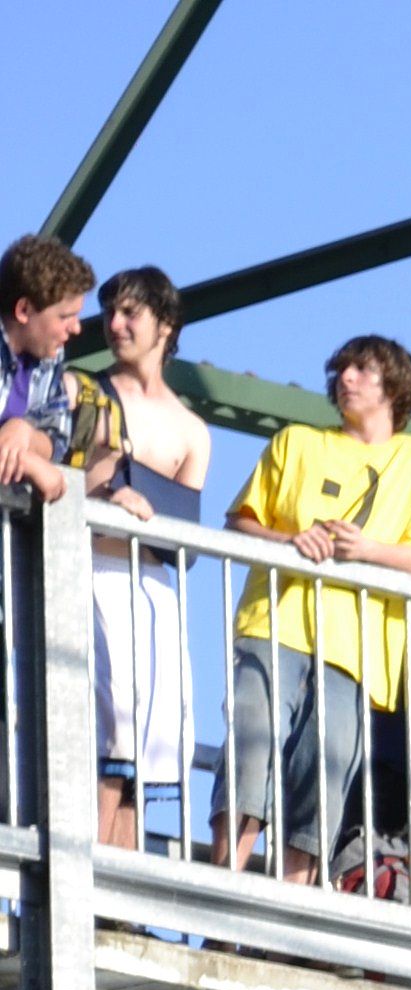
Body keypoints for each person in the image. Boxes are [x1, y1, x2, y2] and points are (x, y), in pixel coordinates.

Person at [223, 335, 411, 887]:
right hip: (275, 624)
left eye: (362, 369)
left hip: (359, 652)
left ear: (393, 385)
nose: (346, 378)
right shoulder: (296, 442)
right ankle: (223, 893)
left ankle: (289, 914)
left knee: (320, 783)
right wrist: (291, 541)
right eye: (342, 369)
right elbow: (239, 521)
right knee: (251, 752)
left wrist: (365, 550)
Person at [83, 265, 208, 852]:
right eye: (110, 312)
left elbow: (185, 532)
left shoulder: (193, 429)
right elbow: (61, 480)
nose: (115, 324)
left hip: (153, 587)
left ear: (166, 324)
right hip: (91, 571)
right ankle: (81, 874)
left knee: (147, 742)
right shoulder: (88, 393)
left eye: (131, 312)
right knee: (107, 731)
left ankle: (120, 892)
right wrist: (109, 493)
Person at [0, 232, 118, 501]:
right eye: (65, 316)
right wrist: (30, 463)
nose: (76, 328)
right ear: (24, 310)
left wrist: (23, 432)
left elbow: (57, 438)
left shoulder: (49, 359)